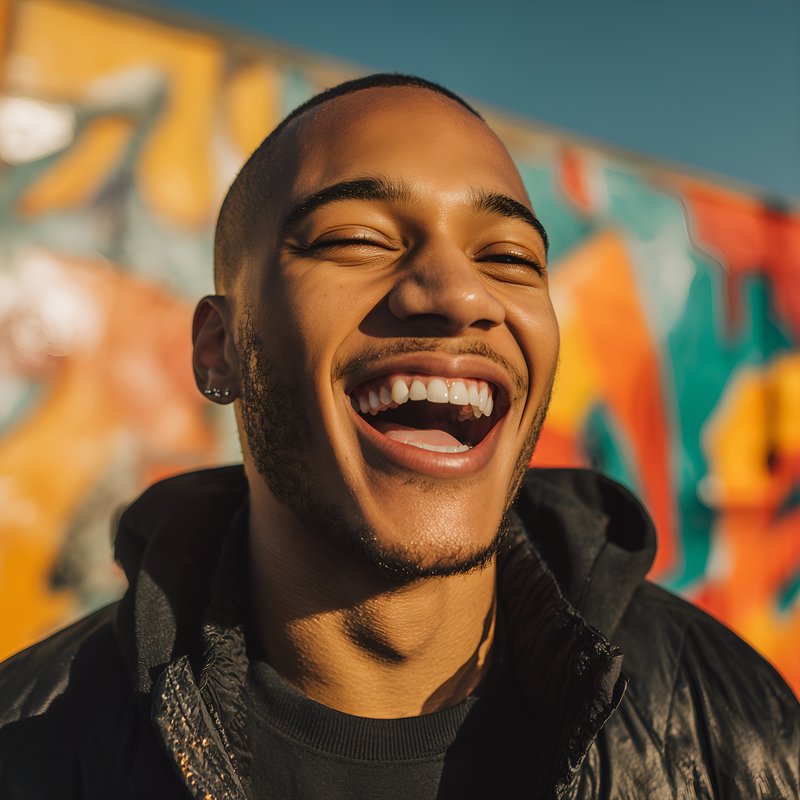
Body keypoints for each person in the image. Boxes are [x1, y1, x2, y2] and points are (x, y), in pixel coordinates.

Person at [0, 73, 797, 800]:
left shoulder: (733, 730)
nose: (459, 293)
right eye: (356, 239)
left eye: (509, 257)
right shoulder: (30, 748)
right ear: (220, 348)